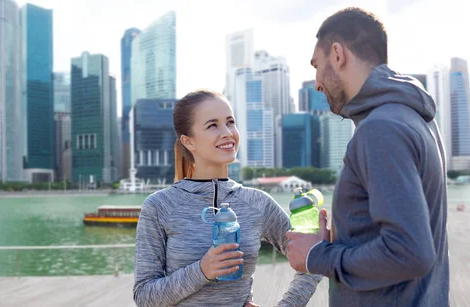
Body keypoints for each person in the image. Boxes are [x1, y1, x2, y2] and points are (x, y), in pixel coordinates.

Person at [285, 7, 449, 307]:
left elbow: (410, 252)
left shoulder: (381, 128)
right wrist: (339, 239)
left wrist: (316, 255)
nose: (317, 82)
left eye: (316, 65)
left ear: (337, 54)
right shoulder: (413, 117)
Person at [133, 89, 322, 307]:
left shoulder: (258, 203)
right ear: (188, 141)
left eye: (230, 122)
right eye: (212, 125)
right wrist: (203, 270)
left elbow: (313, 259)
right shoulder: (159, 206)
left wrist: (288, 304)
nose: (227, 132)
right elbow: (144, 296)